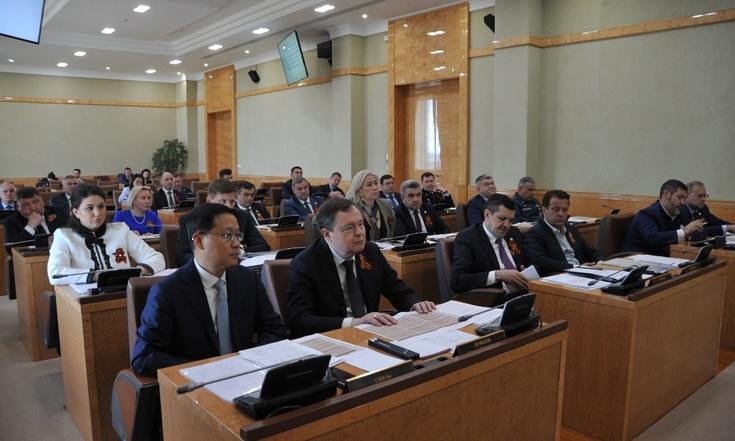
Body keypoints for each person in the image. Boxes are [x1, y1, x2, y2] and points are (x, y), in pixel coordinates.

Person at [131, 203, 287, 377]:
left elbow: (274, 329)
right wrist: (207, 369)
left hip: (247, 376)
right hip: (197, 382)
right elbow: (144, 357)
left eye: (238, 235)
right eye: (227, 235)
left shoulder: (247, 279)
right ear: (199, 241)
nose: (237, 244)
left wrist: (250, 360)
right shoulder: (167, 292)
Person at [285, 198, 435, 337]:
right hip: (333, 337)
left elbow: (397, 289)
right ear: (327, 234)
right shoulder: (305, 264)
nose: (359, 233)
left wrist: (414, 304)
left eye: (361, 224)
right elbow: (298, 320)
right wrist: (354, 323)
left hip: (372, 333)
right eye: (349, 228)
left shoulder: (371, 251)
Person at [47, 183, 165, 285]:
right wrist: (96, 276)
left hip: (125, 291)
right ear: (76, 212)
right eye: (89, 208)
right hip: (86, 297)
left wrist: (140, 271)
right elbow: (55, 274)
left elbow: (157, 258)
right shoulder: (64, 236)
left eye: (101, 207)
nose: (97, 213)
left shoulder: (120, 230)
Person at [175, 179, 269, 267]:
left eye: (232, 201)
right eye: (223, 201)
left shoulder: (243, 216)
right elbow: (182, 256)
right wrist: (211, 260)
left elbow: (263, 246)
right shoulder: (190, 219)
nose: (228, 207)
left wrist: (241, 250)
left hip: (237, 267)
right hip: (207, 268)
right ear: (209, 200)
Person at [451, 194, 527, 295]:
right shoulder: (468, 238)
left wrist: (527, 271)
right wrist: (497, 275)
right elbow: (458, 281)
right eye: (502, 218)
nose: (507, 225)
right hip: (493, 298)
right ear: (487, 214)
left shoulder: (513, 232)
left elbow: (528, 261)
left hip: (524, 293)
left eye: (510, 220)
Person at [622, 179, 705, 256]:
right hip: (635, 260)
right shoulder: (647, 214)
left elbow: (696, 233)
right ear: (666, 194)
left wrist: (692, 231)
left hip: (661, 259)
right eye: (679, 197)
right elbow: (654, 238)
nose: (683, 202)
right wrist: (684, 231)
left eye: (685, 198)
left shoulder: (677, 212)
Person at [524, 190, 597, 276]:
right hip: (559, 275)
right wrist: (576, 267)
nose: (561, 214)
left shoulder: (571, 229)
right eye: (556, 210)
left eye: (564, 210)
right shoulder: (535, 233)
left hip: (581, 272)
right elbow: (540, 261)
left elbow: (589, 251)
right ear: (544, 210)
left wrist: (601, 262)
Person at [346, 170, 395, 240]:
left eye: (376, 183)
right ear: (359, 190)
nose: (375, 188)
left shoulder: (386, 204)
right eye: (369, 185)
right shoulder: (351, 208)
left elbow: (391, 231)